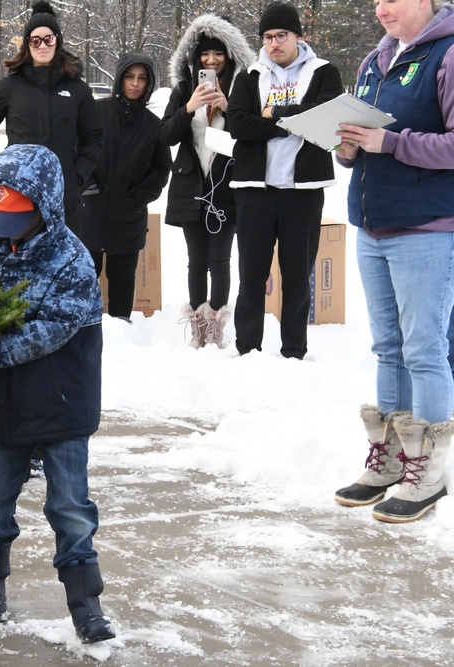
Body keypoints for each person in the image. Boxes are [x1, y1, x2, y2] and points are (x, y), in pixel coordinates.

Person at [0, 142, 113, 644]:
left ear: (46, 207)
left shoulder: (72, 262)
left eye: (14, 218)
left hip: (63, 402)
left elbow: (49, 331)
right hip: (9, 403)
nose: (2, 231)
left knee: (69, 507)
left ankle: (85, 603)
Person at [333, 0, 454, 523]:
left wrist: (391, 142)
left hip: (424, 226)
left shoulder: (447, 54)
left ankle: (430, 469)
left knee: (425, 348)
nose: (381, 8)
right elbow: (359, 143)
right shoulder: (376, 59)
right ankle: (390, 461)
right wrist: (348, 146)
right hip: (373, 223)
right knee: (389, 347)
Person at [226, 2, 342, 359]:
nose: (273, 43)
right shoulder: (250, 75)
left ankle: (294, 350)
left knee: (297, 274)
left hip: (302, 190)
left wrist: (272, 113)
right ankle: (248, 349)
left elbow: (324, 117)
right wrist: (293, 123)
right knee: (251, 273)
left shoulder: (324, 72)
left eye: (281, 35)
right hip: (254, 190)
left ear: (298, 36)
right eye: (267, 37)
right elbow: (237, 124)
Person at [160, 14, 254, 348]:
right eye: (204, 55)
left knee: (220, 259)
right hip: (190, 187)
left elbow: (253, 135)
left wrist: (229, 108)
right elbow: (165, 136)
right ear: (195, 57)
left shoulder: (243, 90)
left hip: (226, 188)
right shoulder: (185, 89)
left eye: (218, 54)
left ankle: (216, 323)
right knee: (196, 260)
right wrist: (188, 107)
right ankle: (198, 324)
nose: (211, 60)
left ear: (229, 56)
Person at [0, 1, 101, 233]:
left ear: (58, 41)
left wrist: (77, 175)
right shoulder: (10, 86)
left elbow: (94, 137)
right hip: (19, 193)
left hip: (63, 194)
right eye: (35, 40)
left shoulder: (77, 89)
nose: (42, 45)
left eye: (49, 39)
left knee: (61, 263)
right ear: (27, 44)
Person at [78, 53, 171, 322]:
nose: (135, 84)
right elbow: (76, 148)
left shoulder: (154, 125)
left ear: (149, 83)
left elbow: (161, 167)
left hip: (129, 216)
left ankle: (122, 328)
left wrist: (139, 198)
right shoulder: (95, 112)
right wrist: (85, 183)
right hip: (90, 211)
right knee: (85, 274)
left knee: (122, 276)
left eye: (142, 78)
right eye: (129, 77)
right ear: (119, 79)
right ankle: (82, 327)